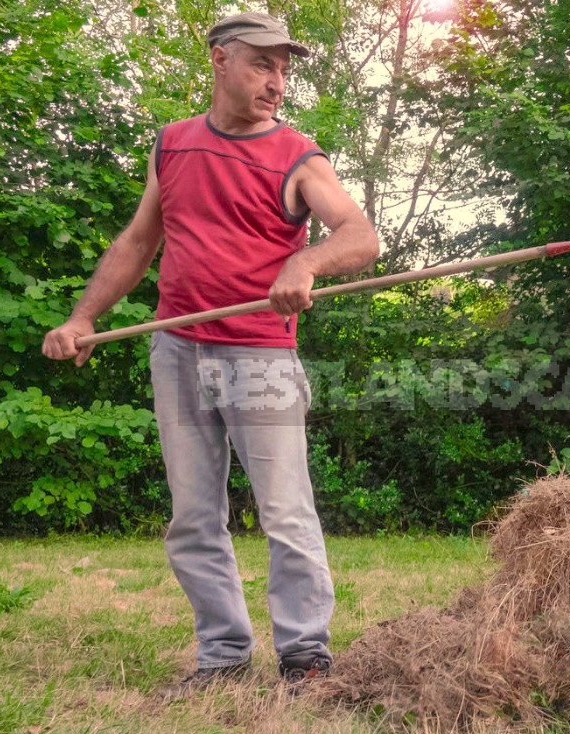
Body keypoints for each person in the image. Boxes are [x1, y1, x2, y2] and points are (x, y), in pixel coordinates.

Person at [42, 12, 380, 697]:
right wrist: (82, 316)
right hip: (178, 349)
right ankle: (223, 656)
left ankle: (306, 659)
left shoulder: (298, 155)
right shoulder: (174, 145)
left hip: (261, 358)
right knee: (193, 516)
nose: (276, 82)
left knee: (285, 512)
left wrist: (306, 262)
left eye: (284, 69)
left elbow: (360, 235)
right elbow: (138, 243)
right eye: (262, 64)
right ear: (221, 59)